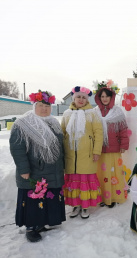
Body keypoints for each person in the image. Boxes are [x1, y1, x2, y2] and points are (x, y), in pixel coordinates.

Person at [9, 90, 65, 242]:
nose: (44, 108)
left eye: (47, 105)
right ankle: (31, 227)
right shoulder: (23, 124)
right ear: (34, 105)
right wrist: (24, 169)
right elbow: (17, 148)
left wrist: (63, 165)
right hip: (34, 171)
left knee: (47, 197)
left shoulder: (53, 123)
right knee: (34, 199)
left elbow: (61, 147)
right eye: (41, 105)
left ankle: (43, 223)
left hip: (52, 170)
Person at [61, 86, 103, 219]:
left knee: (84, 180)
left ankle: (85, 206)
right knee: (74, 181)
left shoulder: (92, 113)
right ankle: (76, 205)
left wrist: (97, 151)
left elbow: (98, 133)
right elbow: (62, 133)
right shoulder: (67, 113)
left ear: (87, 100)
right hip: (71, 155)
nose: (80, 99)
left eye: (83, 97)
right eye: (78, 97)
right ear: (73, 98)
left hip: (88, 154)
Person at [94, 80, 129, 208]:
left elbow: (123, 130)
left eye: (107, 96)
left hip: (114, 150)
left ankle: (114, 196)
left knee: (114, 173)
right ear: (99, 98)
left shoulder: (117, 111)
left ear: (111, 97)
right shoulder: (94, 112)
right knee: (102, 174)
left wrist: (123, 145)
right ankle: (103, 197)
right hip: (99, 150)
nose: (104, 99)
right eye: (102, 96)